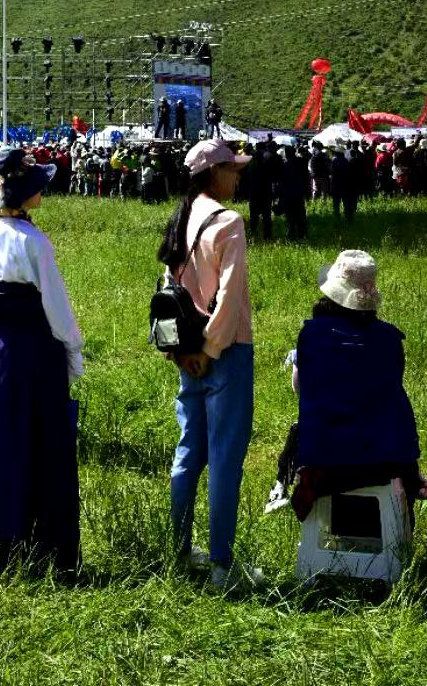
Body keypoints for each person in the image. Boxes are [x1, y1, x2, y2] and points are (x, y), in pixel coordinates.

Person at [0, 148, 83, 572]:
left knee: (3, 442)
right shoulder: (34, 241)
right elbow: (56, 308)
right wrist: (73, 351)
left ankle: (1, 540)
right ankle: (48, 543)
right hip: (36, 351)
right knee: (45, 445)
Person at [159, 137, 258, 593]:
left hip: (187, 354)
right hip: (225, 352)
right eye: (232, 168)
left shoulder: (182, 216)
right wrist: (211, 350)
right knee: (224, 459)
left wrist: (184, 351)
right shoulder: (229, 222)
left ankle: (177, 549)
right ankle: (222, 564)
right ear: (215, 173)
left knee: (188, 451)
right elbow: (230, 297)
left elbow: (170, 291)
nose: (237, 175)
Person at [273, 252, 427, 524]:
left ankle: (282, 490)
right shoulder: (390, 339)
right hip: (385, 461)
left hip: (325, 461)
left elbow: (300, 387)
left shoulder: (311, 335)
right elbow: (390, 388)